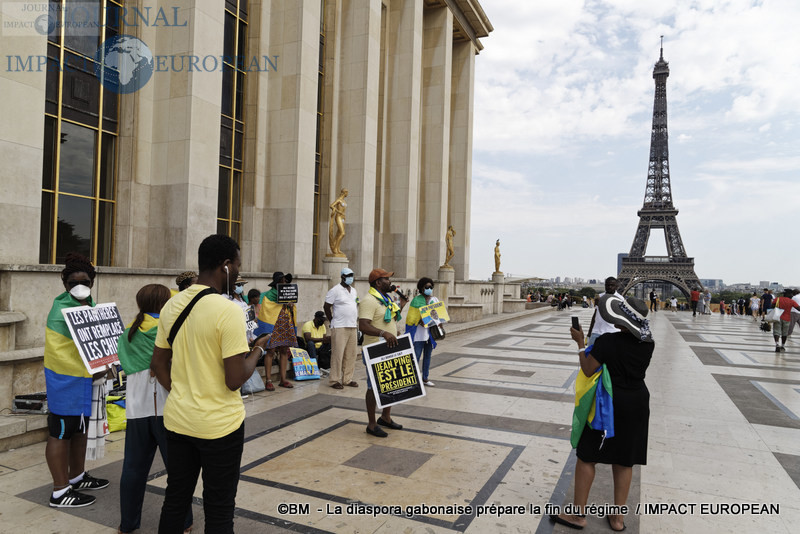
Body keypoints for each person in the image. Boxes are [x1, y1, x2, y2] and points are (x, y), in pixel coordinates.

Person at [151, 234, 269, 533]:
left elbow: (158, 364)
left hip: (178, 420)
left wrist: (180, 393)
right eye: (238, 267)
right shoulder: (228, 310)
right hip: (219, 427)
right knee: (219, 506)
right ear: (225, 266)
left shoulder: (172, 305)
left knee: (176, 498)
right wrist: (258, 350)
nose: (239, 275)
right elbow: (234, 379)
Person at [551, 295, 654, 531]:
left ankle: (578, 515)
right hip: (637, 402)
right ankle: (618, 519)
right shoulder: (649, 343)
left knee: (587, 456)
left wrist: (580, 342)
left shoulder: (608, 341)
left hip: (608, 403)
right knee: (625, 460)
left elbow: (588, 369)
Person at [116, 284, 192, 534]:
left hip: (137, 408)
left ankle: (127, 524)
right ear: (164, 304)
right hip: (168, 408)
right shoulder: (168, 329)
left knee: (133, 469)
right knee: (178, 470)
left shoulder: (128, 332)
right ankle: (184, 522)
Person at [44, 252, 110, 508]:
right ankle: (60, 491)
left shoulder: (89, 307)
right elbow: (69, 351)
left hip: (85, 380)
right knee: (60, 432)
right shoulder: (62, 311)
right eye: (73, 283)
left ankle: (77, 476)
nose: (79, 287)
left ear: (92, 282)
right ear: (65, 284)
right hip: (65, 381)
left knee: (80, 429)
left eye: (85, 281)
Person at [359, 268, 408, 437]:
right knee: (373, 387)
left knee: (392, 383)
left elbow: (388, 319)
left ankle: (385, 417)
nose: (390, 282)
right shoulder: (369, 300)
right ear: (378, 283)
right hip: (375, 348)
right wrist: (383, 333)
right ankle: (371, 424)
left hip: (389, 347)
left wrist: (401, 306)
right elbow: (363, 325)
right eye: (386, 279)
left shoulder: (386, 299)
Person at [255, 272, 298, 389]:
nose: (284, 283)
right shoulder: (269, 295)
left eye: (285, 281)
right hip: (272, 324)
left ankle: (283, 379)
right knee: (270, 351)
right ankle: (268, 380)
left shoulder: (289, 292)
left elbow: (292, 306)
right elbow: (267, 309)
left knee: (284, 350)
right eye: (282, 281)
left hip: (284, 324)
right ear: (277, 282)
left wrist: (290, 304)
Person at [324, 268, 359, 389]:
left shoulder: (353, 291)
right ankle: (334, 380)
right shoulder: (335, 290)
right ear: (342, 277)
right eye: (348, 275)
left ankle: (347, 379)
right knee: (338, 354)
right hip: (339, 326)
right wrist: (332, 320)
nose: (350, 277)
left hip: (352, 325)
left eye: (352, 275)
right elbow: (326, 306)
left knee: (351, 354)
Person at [406, 277, 439, 387]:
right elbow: (411, 318)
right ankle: (413, 380)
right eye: (427, 287)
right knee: (415, 357)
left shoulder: (435, 300)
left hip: (430, 334)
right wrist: (420, 320)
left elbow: (439, 316)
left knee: (428, 356)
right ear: (421, 288)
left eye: (431, 287)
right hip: (418, 334)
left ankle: (425, 378)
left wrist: (438, 321)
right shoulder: (416, 300)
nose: (429, 289)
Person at [586, 277, 623, 348]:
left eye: (612, 285)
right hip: (596, 332)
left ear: (616, 287)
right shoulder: (600, 296)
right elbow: (595, 315)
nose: (609, 287)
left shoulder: (620, 299)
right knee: (590, 356)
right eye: (607, 285)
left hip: (612, 332)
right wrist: (589, 333)